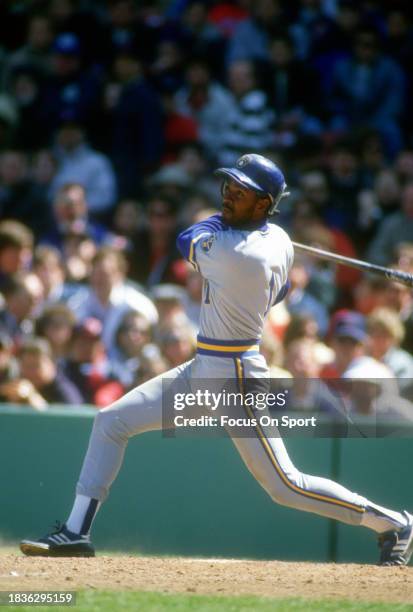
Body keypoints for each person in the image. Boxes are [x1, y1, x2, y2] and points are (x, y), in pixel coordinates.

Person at [20, 154, 413, 566]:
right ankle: (76, 531)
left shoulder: (239, 253)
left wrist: (227, 224)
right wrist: (245, 222)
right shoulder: (277, 241)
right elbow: (272, 287)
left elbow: (185, 237)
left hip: (236, 379)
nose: (227, 196)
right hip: (202, 368)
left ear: (263, 204)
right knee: (111, 421)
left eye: (240, 192)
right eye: (228, 187)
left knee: (285, 486)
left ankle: (393, 523)